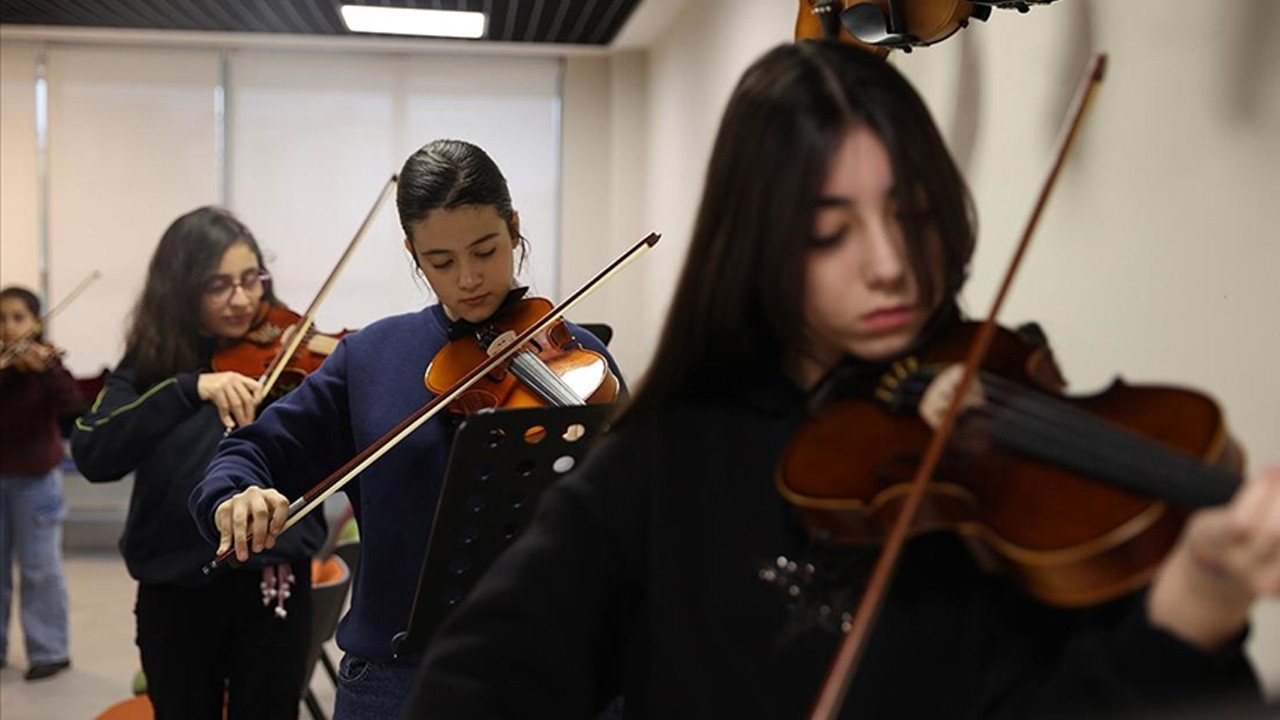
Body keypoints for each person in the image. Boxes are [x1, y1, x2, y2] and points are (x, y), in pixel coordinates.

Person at [395, 41, 1278, 720]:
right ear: (759, 245)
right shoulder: (665, 461)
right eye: (831, 233)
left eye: (914, 214)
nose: (891, 265)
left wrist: (1194, 606)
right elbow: (475, 689)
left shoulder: (995, 433)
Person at [189, 138, 625, 719]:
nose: (469, 279)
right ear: (413, 254)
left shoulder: (580, 361)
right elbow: (253, 450)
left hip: (555, 658)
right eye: (441, 262)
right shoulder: (371, 359)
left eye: (486, 250)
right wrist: (234, 494)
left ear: (515, 228)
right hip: (399, 674)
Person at [71, 207, 323, 720]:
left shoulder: (288, 355)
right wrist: (188, 388)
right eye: (219, 285)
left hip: (274, 587)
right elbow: (94, 452)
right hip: (175, 594)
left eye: (252, 278)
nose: (243, 299)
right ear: (181, 290)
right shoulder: (152, 366)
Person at [0, 286, 82, 681]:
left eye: (19, 318)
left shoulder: (46, 363)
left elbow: (73, 404)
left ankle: (50, 651)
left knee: (39, 569)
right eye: (1, 319)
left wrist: (45, 371)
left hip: (36, 481)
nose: (9, 327)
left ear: (36, 322)